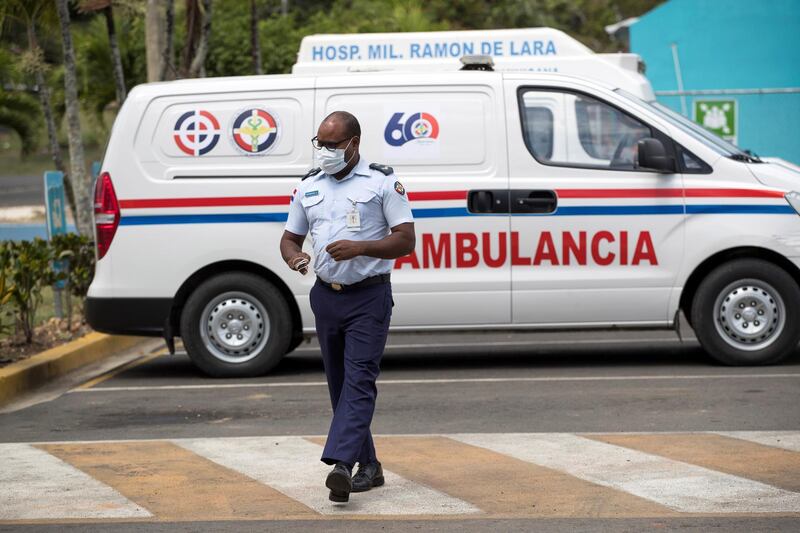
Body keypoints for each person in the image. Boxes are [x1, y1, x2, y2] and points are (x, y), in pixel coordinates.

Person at [279, 111, 415, 503]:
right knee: (340, 386)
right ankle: (369, 466)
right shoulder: (308, 187)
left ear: (353, 143)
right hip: (326, 296)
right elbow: (290, 239)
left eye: (332, 145)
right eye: (318, 143)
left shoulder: (382, 181)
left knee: (358, 380)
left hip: (368, 296)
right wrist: (296, 258)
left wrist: (362, 247)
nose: (323, 151)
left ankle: (341, 463)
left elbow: (406, 240)